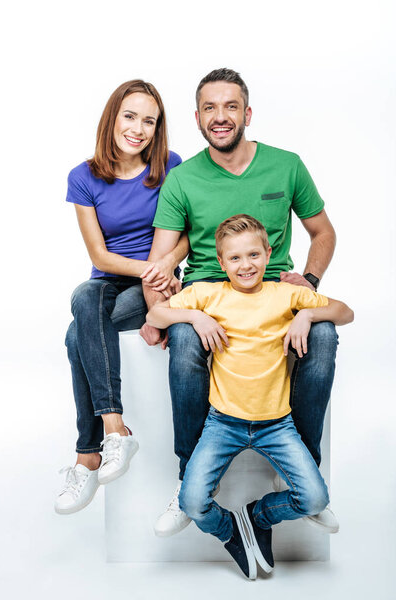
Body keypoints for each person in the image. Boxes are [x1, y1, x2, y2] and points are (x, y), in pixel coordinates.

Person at [140, 68, 339, 536]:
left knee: (324, 333)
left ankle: (303, 467)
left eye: (230, 106)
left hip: (274, 290)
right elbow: (160, 260)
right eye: (210, 108)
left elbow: (322, 232)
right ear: (197, 118)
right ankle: (188, 476)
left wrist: (308, 282)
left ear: (247, 113)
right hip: (207, 294)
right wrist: (160, 314)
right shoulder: (183, 179)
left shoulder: (286, 164)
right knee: (187, 339)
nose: (220, 116)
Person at [146, 214, 353, 579]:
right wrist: (196, 317)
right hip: (222, 423)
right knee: (193, 502)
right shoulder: (209, 293)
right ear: (222, 262)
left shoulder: (286, 293)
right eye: (236, 258)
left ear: (268, 254)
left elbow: (345, 312)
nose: (246, 265)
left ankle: (259, 516)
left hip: (277, 425)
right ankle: (229, 530)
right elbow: (156, 313)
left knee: (315, 499)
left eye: (254, 255)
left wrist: (307, 314)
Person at [55, 80, 186, 515]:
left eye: (149, 120)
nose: (139, 128)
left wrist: (164, 266)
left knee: (78, 337)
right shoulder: (83, 176)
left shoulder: (170, 164)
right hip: (111, 280)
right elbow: (99, 254)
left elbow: (187, 233)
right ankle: (116, 428)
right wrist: (147, 267)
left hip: (156, 282)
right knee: (84, 296)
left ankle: (87, 455)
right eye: (130, 116)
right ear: (112, 118)